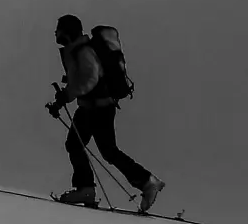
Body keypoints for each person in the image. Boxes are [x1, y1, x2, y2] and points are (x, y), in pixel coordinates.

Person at [46, 12, 164, 213]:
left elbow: (90, 79)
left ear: (67, 31)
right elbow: (81, 81)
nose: (55, 32)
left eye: (59, 28)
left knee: (88, 147)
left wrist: (65, 97)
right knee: (94, 148)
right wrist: (62, 99)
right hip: (93, 107)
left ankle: (93, 188)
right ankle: (141, 182)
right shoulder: (75, 50)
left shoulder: (82, 51)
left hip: (98, 108)